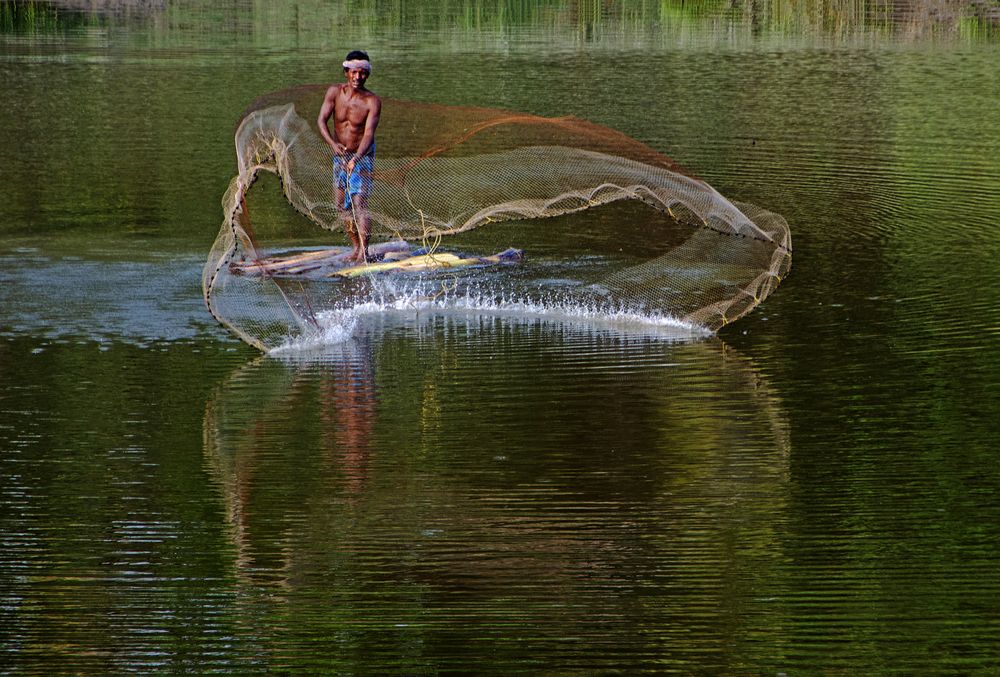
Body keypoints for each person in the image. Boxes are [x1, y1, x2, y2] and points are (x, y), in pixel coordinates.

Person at [317, 50, 382, 262]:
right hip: (340, 156)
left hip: (361, 155)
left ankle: (364, 251)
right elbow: (321, 120)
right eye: (354, 72)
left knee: (359, 204)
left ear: (367, 75)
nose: (358, 77)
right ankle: (355, 247)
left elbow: (369, 134)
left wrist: (356, 158)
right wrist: (332, 144)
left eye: (363, 73)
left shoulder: (372, 101)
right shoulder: (334, 92)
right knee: (340, 205)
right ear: (346, 72)